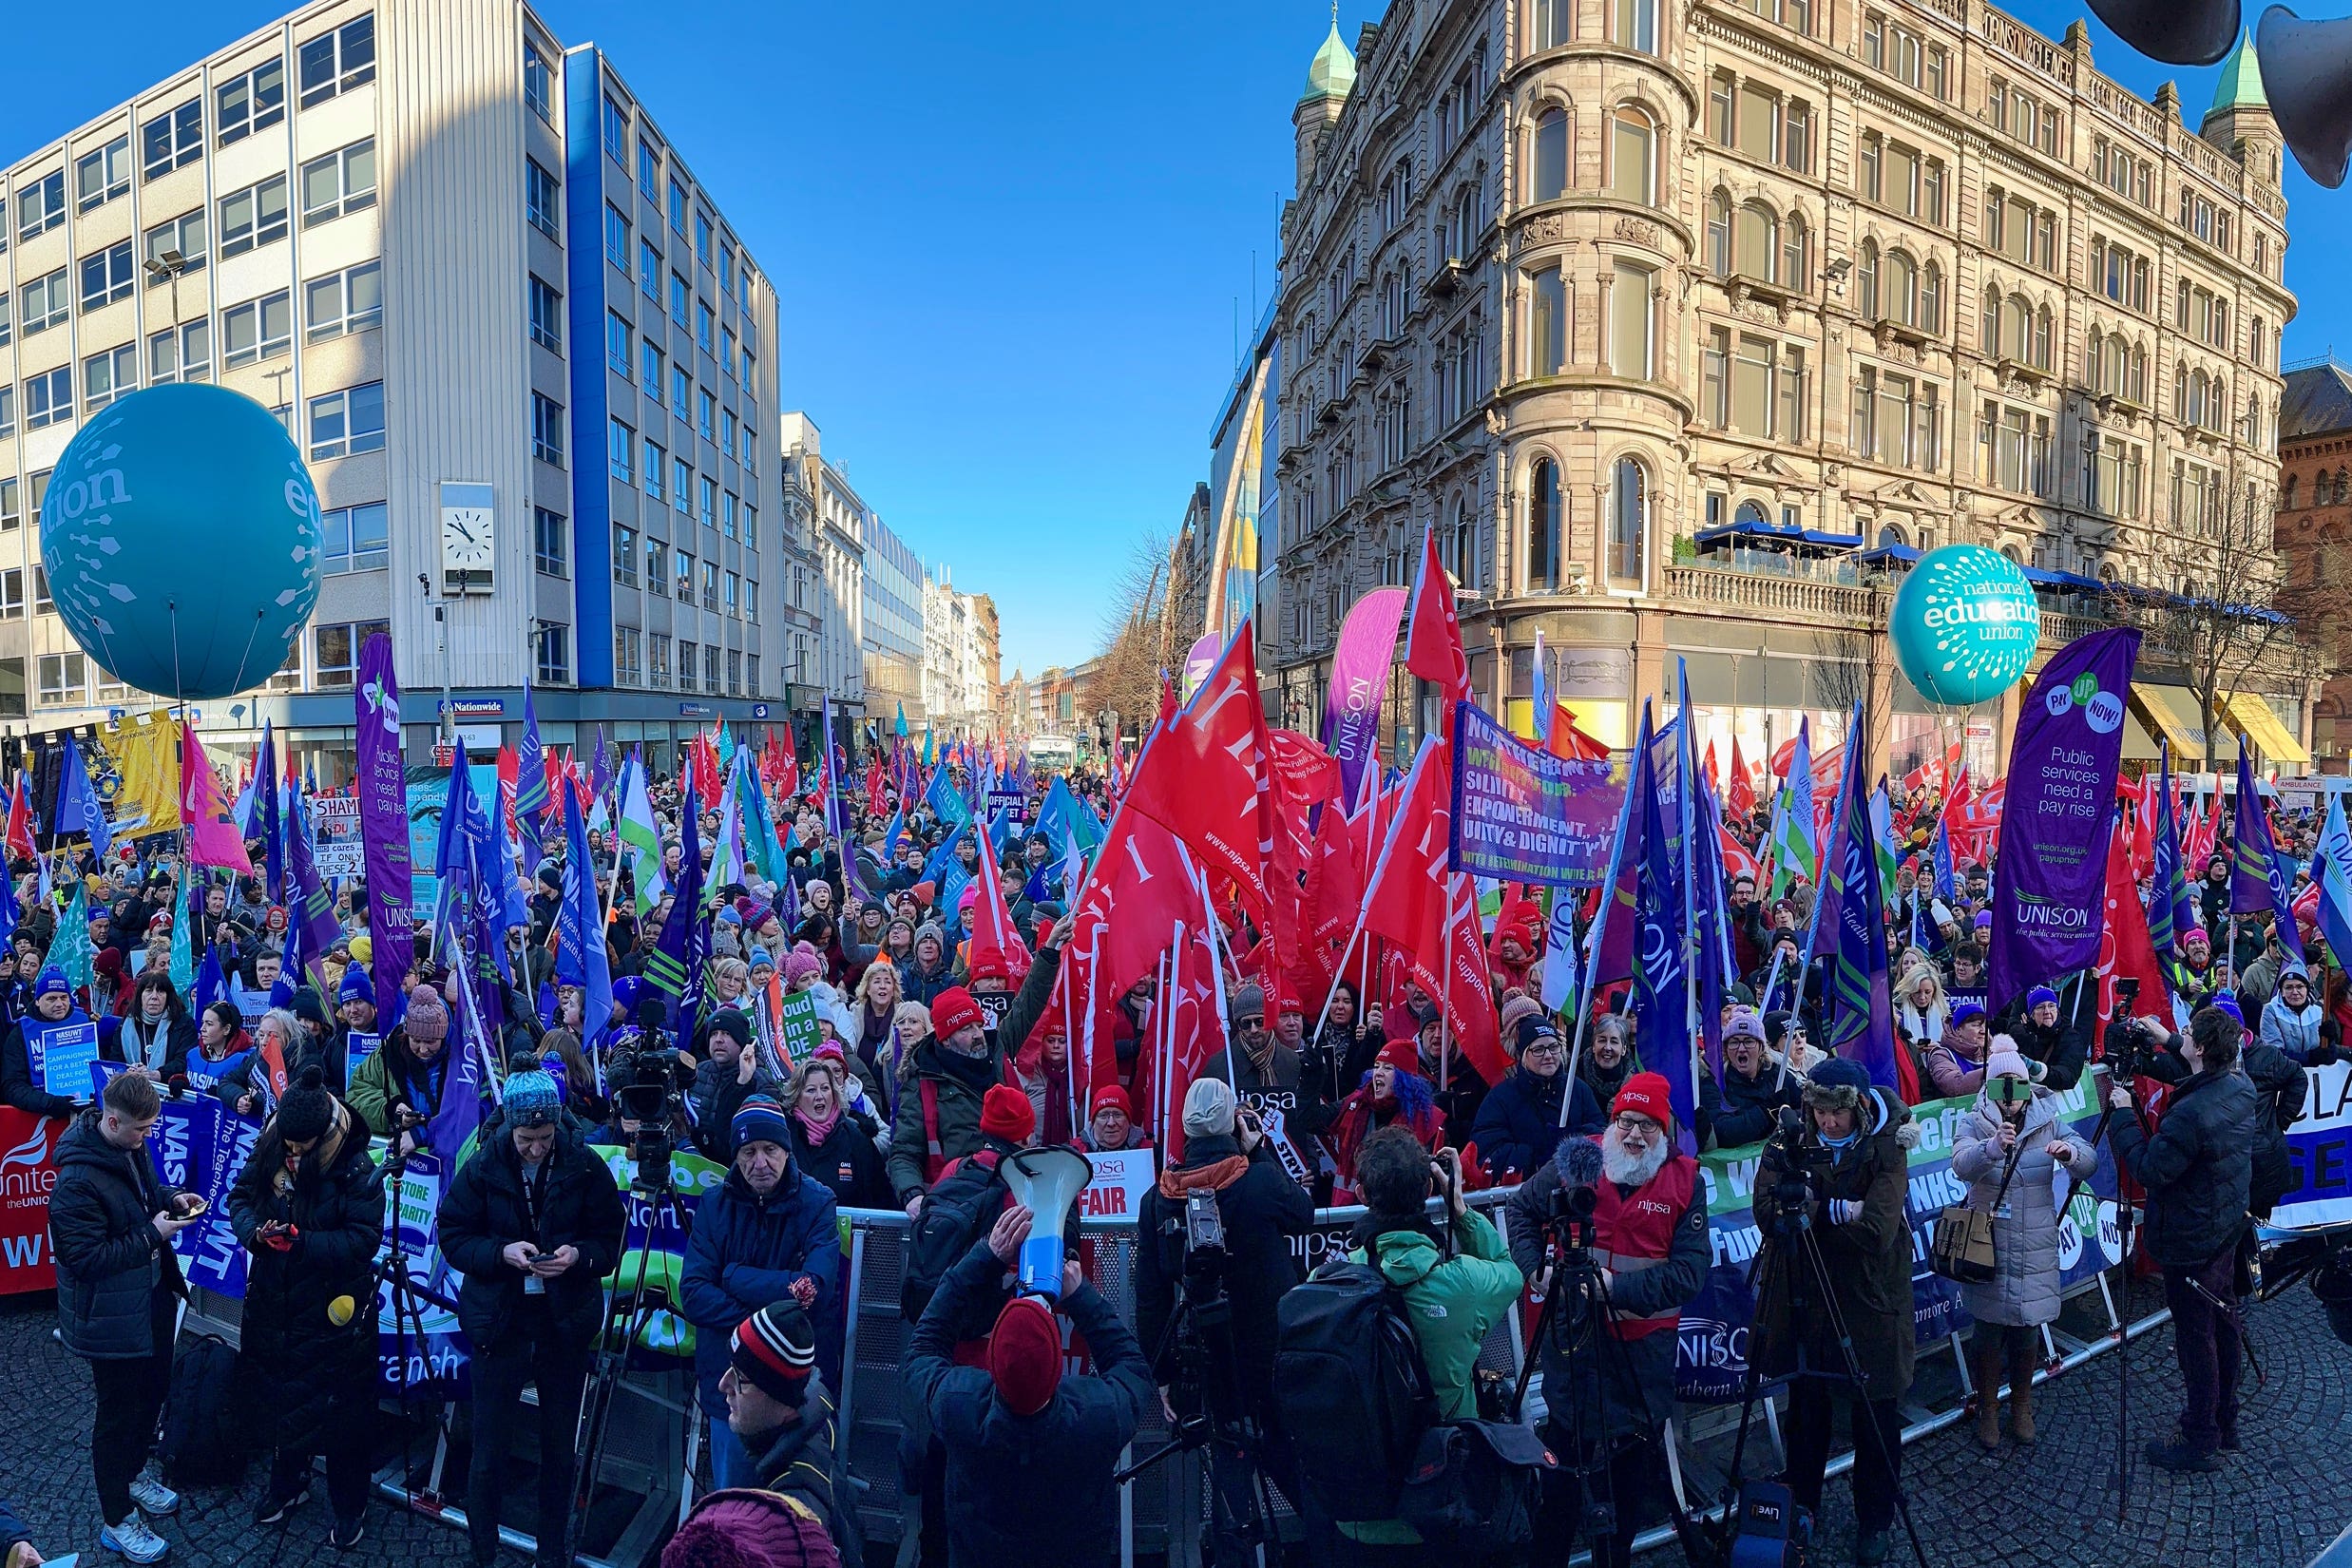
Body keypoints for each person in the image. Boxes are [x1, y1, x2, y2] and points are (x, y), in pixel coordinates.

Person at [1508, 1072, 1708, 1568]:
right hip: (1574, 1346)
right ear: (1612, 1121)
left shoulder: (1686, 1180)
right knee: (1560, 1479)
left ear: (1665, 1132)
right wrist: (1537, 1271)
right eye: (1626, 1121)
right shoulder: (1580, 1160)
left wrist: (1614, 1288)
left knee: (1626, 1484)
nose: (1635, 1134)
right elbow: (1520, 1209)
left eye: (1648, 1125)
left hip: (1642, 1357)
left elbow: (1689, 1273)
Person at [436, 1067, 627, 1568]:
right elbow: (453, 1236)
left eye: (544, 1138)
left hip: (562, 1322)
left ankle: (551, 1556)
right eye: (526, 1139)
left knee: (560, 1453)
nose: (536, 1149)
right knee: (489, 1452)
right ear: (510, 1130)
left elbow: (610, 1240)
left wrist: (578, 1258)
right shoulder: (482, 1166)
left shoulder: (584, 1164)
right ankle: (482, 1554)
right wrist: (501, 1253)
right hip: (501, 1320)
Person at [904, 1203, 1153, 1568]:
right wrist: (1080, 1296)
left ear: (991, 1362)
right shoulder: (1098, 1416)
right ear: (1057, 1367)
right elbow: (1131, 1365)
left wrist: (984, 1257)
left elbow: (924, 1345)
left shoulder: (958, 1405)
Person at [1134, 1080, 1313, 1568]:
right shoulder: (1258, 1178)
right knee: (1294, 1463)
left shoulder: (1158, 1199)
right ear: (1231, 1125)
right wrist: (1261, 1151)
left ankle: (1234, 1555)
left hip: (1210, 1357)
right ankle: (1325, 1544)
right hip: (1274, 1352)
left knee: (1231, 1469)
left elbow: (1149, 1298)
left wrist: (1164, 1376)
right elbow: (1303, 1213)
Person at [1751, 1059, 1915, 1566]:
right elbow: (1767, 1210)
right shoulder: (1791, 1139)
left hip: (1871, 1298)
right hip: (1806, 1295)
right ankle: (1804, 1503)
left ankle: (1876, 1520)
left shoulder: (1888, 1144)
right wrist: (1845, 1207)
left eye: (1837, 1113)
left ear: (1860, 1107)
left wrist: (1816, 1208)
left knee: (1875, 1413)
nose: (1828, 1123)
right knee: (1807, 1407)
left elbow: (1878, 1230)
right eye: (1820, 1111)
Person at [1335, 1130, 1525, 1557]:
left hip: (1360, 1511)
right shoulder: (1463, 1284)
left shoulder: (1329, 1287)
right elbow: (1508, 1270)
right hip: (1443, 1498)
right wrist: (1460, 1208)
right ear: (1427, 1189)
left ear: (1363, 1193)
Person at [227, 1064, 386, 1549]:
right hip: (274, 1298)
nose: (293, 1155)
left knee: (343, 1414)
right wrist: (254, 1232)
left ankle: (349, 1504)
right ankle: (287, 1483)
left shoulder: (357, 1164)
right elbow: (240, 1196)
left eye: (302, 1147)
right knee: (280, 1398)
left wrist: (302, 1242)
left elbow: (363, 1240)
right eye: (289, 1146)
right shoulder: (275, 1136)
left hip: (334, 1310)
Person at [48, 1069, 195, 1565]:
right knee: (116, 1417)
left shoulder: (131, 1144)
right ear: (112, 1121)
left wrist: (171, 1200)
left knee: (152, 1393)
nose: (148, 1137)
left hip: (149, 1296)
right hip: (108, 1316)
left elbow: (148, 1190)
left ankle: (135, 1475)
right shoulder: (74, 1181)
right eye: (142, 1129)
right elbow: (86, 1260)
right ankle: (117, 1521)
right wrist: (155, 1234)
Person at [2107, 1007, 2260, 1471]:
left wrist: (2121, 1115)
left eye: (2188, 1032)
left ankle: (2199, 1437)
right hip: (2223, 1226)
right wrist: (2167, 1037)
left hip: (2191, 1240)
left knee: (2198, 1340)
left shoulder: (2191, 1114)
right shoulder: (2239, 1086)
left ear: (2204, 1049)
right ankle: (2225, 1420)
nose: (2182, 1035)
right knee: (2226, 1322)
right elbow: (2191, 1069)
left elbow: (2151, 1169)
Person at [681, 1094, 844, 1490]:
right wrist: (769, 1320)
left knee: (794, 1506)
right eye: (749, 1151)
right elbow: (695, 1292)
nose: (760, 1163)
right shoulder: (714, 1205)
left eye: (770, 1150)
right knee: (735, 1508)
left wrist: (735, 1276)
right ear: (735, 1155)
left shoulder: (818, 1203)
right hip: (731, 1387)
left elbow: (812, 1291)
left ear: (786, 1150)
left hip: (795, 1390)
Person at [1950, 1046, 2101, 1450]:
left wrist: (2069, 1153)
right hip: (1988, 1246)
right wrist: (1992, 1147)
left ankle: (2021, 1404)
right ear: (1991, 1087)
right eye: (2002, 1086)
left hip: (2034, 1243)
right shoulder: (1973, 1121)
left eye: (2017, 1085)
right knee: (1986, 1333)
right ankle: (1988, 1408)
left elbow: (2089, 1160)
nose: (2010, 1095)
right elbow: (1961, 1164)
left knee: (2026, 1332)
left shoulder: (2048, 1120)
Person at [717, 1299, 862, 1566]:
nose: (723, 1385)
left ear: (782, 1401)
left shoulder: (793, 1523)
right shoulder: (816, 1419)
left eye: (740, 1379)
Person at [886, 985, 1004, 1212]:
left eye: (979, 1026)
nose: (978, 1035)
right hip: (951, 1205)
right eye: (966, 1029)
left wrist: (1049, 953)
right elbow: (904, 1151)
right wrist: (912, 1195)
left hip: (1003, 1197)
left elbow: (1027, 1006)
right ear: (946, 1040)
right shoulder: (921, 1082)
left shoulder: (996, 1062)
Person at [1471, 1013, 1603, 1180]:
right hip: (1525, 1197)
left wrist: (1572, 1145)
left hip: (1576, 1193)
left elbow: (1600, 1134)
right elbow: (1488, 1153)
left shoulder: (1578, 1089)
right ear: (1524, 1055)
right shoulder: (1500, 1098)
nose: (1548, 1055)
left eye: (1553, 1047)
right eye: (1539, 1049)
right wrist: (1537, 1156)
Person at [1327, 1037, 1447, 1203]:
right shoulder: (1357, 1104)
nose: (1379, 1072)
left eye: (1388, 1067)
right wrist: (1311, 1079)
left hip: (1406, 1212)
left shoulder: (1431, 1119)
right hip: (1357, 1212)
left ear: (1404, 1078)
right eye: (1376, 1066)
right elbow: (1311, 1120)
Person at [784, 1046, 892, 1210]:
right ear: (796, 1097)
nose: (819, 1096)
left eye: (825, 1088)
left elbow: (880, 1197)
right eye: (811, 1090)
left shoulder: (856, 1138)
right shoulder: (784, 1137)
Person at [347, 984, 455, 1142]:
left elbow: (470, 1112)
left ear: (444, 1037)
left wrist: (421, 1135)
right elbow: (356, 1096)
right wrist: (391, 1110)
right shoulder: (388, 1053)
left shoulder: (461, 1059)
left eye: (431, 1042)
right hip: (397, 1150)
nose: (423, 1050)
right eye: (416, 1040)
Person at [685, 1007, 781, 1163]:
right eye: (714, 1034)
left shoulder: (761, 1081)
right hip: (691, 1166)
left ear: (742, 1041)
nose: (718, 1039)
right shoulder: (697, 1072)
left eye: (726, 1034)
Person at [1701, 1005, 1805, 1150]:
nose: (1741, 1048)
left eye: (1749, 1041)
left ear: (1761, 1048)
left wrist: (1786, 1117)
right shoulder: (1715, 1082)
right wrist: (1767, 1110)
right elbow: (1723, 1132)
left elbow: (1806, 1110)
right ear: (1726, 1049)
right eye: (1734, 1042)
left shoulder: (1778, 1075)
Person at [2, 966, 99, 1120]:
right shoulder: (20, 1032)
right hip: (39, 1118)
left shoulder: (86, 1023)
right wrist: (50, 1103)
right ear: (38, 1001)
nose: (59, 1004)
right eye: (51, 999)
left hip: (86, 1114)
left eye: (64, 997)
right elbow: (12, 1085)